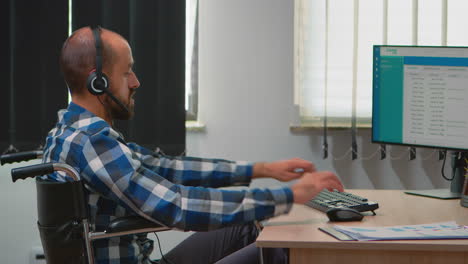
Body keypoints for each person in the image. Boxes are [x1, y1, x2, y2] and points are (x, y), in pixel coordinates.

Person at [43, 26, 344, 264]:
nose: (135, 82)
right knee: (281, 250)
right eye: (126, 72)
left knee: (246, 227)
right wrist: (289, 195)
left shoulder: (69, 131)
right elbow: (178, 206)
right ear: (99, 83)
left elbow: (167, 168)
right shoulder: (91, 142)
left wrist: (262, 169)